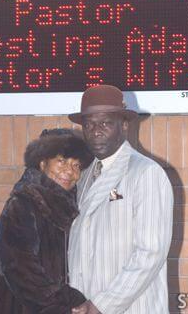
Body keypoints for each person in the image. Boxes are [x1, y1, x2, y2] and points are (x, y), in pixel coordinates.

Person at [68, 85, 174, 314]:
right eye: (89, 124)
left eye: (105, 123)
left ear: (124, 126)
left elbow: (150, 252)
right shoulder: (83, 175)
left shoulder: (146, 173)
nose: (95, 131)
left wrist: (102, 305)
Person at [0, 128, 94, 314]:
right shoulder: (23, 205)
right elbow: (21, 272)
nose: (69, 171)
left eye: (76, 165)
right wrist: (69, 303)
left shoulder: (66, 207)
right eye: (61, 161)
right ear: (42, 162)